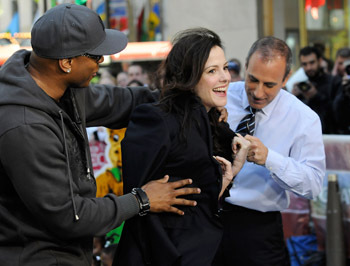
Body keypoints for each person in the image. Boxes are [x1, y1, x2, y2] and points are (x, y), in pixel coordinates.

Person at [0, 4, 201, 266]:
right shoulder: (24, 126)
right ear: (67, 62)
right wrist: (142, 200)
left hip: (72, 252)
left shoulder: (64, 90)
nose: (102, 61)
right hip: (36, 257)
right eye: (95, 56)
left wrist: (191, 100)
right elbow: (71, 216)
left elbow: (127, 102)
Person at [113, 27, 250, 266]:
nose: (225, 77)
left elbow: (195, 202)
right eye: (212, 71)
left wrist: (229, 176)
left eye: (225, 68)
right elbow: (142, 209)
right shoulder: (157, 119)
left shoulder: (211, 122)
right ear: (189, 76)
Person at [213, 36, 325, 266]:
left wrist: (270, 159)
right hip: (205, 218)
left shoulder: (304, 119)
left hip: (257, 230)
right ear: (245, 66)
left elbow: (313, 184)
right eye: (252, 79)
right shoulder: (219, 97)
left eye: (270, 84)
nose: (258, 92)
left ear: (286, 78)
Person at [292, 46, 335, 133]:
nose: (308, 68)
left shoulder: (333, 82)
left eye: (312, 63)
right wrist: (293, 98)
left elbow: (336, 113)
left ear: (320, 61)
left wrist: (316, 96)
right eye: (304, 64)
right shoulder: (302, 84)